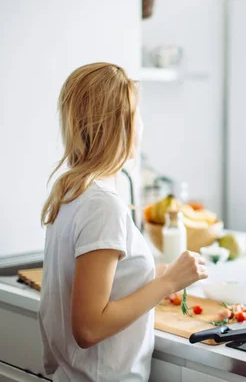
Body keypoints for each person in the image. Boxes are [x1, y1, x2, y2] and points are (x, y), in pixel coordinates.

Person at [39, 63, 208, 382]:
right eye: (138, 113)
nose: (142, 124)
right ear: (123, 124)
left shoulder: (72, 192)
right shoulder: (102, 205)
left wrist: (168, 274)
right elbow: (88, 328)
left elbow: (106, 282)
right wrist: (167, 284)